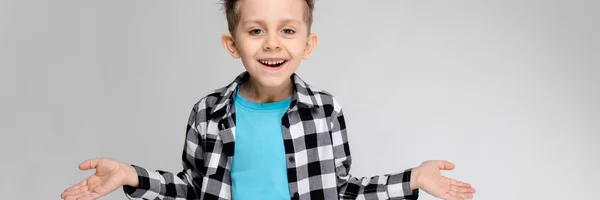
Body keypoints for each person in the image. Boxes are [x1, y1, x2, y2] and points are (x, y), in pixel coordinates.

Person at [60, 0, 476, 199]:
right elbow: (192, 188)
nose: (272, 43)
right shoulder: (208, 113)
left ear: (308, 44)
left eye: (288, 31)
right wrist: (131, 175)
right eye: (256, 30)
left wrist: (412, 179)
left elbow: (344, 190)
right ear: (231, 43)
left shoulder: (326, 110)